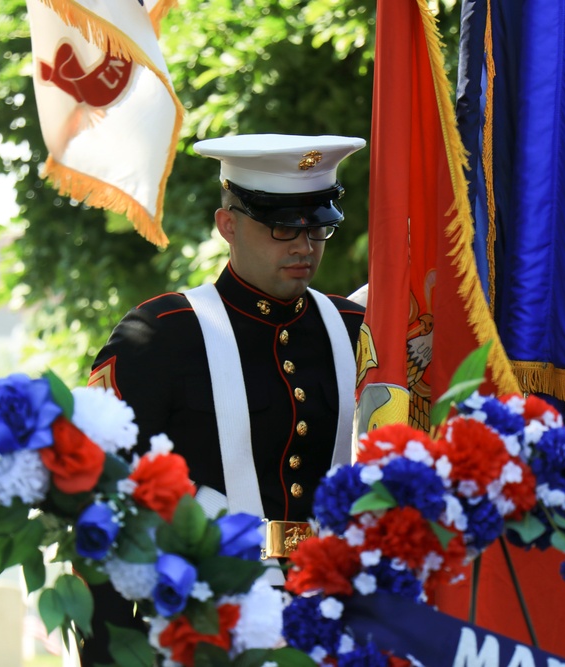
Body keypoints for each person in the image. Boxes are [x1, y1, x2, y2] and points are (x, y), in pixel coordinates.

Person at [81, 134, 367, 664]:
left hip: (339, 616)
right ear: (227, 224)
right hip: (207, 623)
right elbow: (105, 503)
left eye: (318, 226)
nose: (305, 245)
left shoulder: (357, 331)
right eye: (283, 226)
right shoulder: (162, 334)